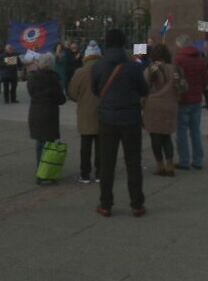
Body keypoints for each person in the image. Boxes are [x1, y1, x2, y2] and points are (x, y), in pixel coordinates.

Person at [92, 29, 149, 218]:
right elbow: (143, 90)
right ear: (124, 44)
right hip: (131, 119)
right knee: (133, 162)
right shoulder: (133, 66)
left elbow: (95, 90)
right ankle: (137, 204)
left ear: (106, 43)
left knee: (107, 163)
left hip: (107, 119)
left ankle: (106, 204)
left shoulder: (98, 65)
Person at [28, 53, 67, 185]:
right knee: (49, 144)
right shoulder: (53, 79)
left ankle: (40, 170)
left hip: (36, 111)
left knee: (39, 143)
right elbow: (61, 99)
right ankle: (48, 170)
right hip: (49, 112)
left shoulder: (33, 77)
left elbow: (31, 92)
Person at [67, 40, 102, 184]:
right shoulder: (105, 69)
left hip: (85, 113)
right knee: (101, 145)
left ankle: (85, 173)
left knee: (85, 144)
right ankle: (100, 173)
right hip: (103, 112)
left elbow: (72, 93)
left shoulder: (80, 72)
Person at [143, 44, 180, 176]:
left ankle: (160, 165)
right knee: (167, 136)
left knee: (155, 137)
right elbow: (182, 86)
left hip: (153, 105)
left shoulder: (152, 68)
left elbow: (144, 86)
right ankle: (170, 164)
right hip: (170, 104)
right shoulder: (174, 68)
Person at [172, 35, 207, 169]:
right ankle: (198, 160)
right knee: (195, 131)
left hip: (182, 100)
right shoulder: (200, 59)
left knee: (181, 132)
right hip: (196, 99)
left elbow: (174, 81)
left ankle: (184, 160)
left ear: (180, 45)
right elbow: (205, 79)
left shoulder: (177, 60)